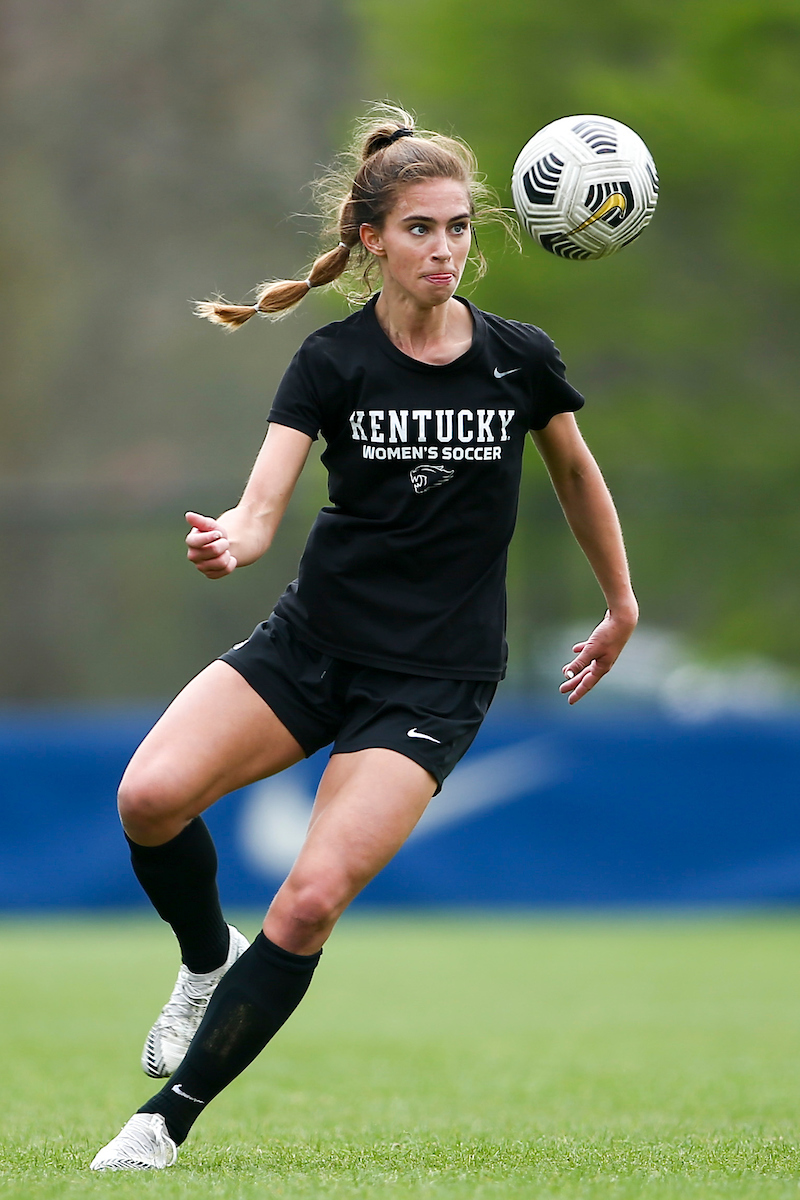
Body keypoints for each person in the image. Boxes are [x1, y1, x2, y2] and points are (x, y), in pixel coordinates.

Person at [90, 105, 638, 1171]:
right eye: (420, 230)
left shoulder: (517, 360)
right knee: (148, 800)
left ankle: (163, 1123)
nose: (444, 249)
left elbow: (574, 473)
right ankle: (205, 957)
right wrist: (235, 542)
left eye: (458, 229)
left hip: (431, 682)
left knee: (306, 900)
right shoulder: (331, 360)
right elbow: (263, 502)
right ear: (373, 240)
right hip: (310, 646)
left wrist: (618, 602)